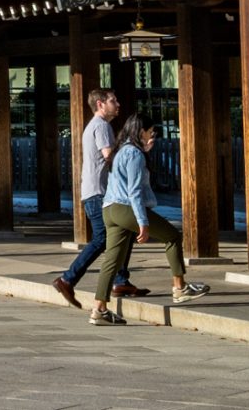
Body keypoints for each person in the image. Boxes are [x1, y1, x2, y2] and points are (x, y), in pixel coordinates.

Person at [92, 117, 209, 323]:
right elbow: (134, 191)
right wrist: (142, 222)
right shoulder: (134, 154)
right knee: (172, 237)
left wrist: (145, 151)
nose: (152, 134)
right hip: (125, 208)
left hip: (109, 209)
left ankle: (99, 310)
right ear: (141, 131)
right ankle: (180, 287)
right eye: (150, 131)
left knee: (112, 260)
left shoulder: (121, 150)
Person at [53, 88, 123, 308]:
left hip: (94, 191)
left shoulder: (94, 125)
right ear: (100, 104)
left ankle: (122, 280)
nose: (117, 104)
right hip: (99, 192)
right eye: (113, 101)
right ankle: (68, 279)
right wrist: (131, 153)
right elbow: (108, 155)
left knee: (117, 235)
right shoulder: (101, 126)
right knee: (103, 238)